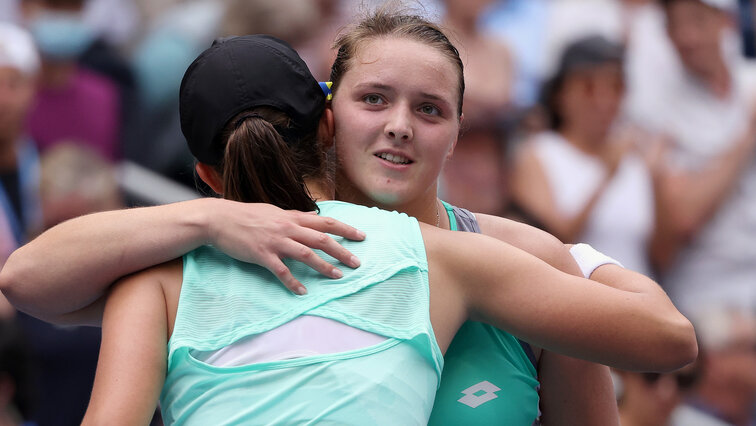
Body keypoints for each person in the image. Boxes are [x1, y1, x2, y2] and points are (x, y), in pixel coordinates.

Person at [1, 7, 693, 425]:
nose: (399, 127)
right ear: (328, 119)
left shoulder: (515, 256)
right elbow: (29, 277)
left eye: (430, 109)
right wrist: (211, 224)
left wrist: (584, 261)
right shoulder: (193, 267)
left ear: (459, 131)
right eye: (375, 100)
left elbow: (665, 339)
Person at [510, 35, 658, 276]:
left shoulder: (635, 160)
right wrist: (605, 177)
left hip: (638, 297)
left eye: (616, 87)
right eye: (589, 87)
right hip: (579, 302)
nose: (604, 100)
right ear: (561, 94)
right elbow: (550, 242)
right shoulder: (537, 154)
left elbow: (657, 252)